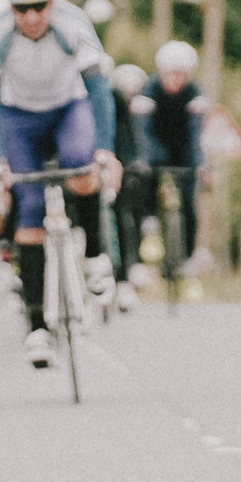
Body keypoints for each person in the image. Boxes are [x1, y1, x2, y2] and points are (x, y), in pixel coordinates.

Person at [0, 0, 118, 368]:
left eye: (40, 6)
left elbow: (99, 88)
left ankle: (95, 257)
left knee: (81, 167)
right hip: (18, 118)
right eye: (22, 8)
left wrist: (105, 148)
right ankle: (37, 326)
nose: (32, 16)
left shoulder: (74, 24)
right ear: (10, 8)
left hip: (67, 109)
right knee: (31, 209)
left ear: (54, 2)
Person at [133, 39, 208, 274]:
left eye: (181, 75)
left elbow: (196, 134)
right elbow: (142, 132)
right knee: (145, 176)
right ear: (161, 73)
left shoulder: (195, 93)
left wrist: (201, 164)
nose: (176, 80)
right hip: (156, 145)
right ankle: (149, 221)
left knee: (189, 197)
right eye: (171, 75)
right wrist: (144, 160)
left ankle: (187, 255)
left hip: (184, 147)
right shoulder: (149, 90)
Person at [108, 61, 151, 302]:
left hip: (119, 163)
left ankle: (126, 273)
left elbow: (130, 138)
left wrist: (134, 163)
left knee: (125, 215)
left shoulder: (134, 108)